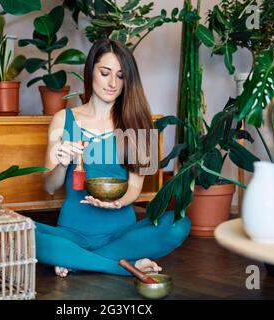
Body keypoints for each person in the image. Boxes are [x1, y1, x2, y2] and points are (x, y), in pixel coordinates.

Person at [36, 39, 191, 278]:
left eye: (120, 76)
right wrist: (62, 162)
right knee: (23, 232)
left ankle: (76, 259)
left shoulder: (139, 122)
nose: (112, 83)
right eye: (105, 72)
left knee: (179, 223)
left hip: (123, 234)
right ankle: (126, 266)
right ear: (91, 71)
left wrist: (117, 203)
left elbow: (135, 187)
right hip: (71, 233)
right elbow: (48, 187)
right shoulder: (62, 119)